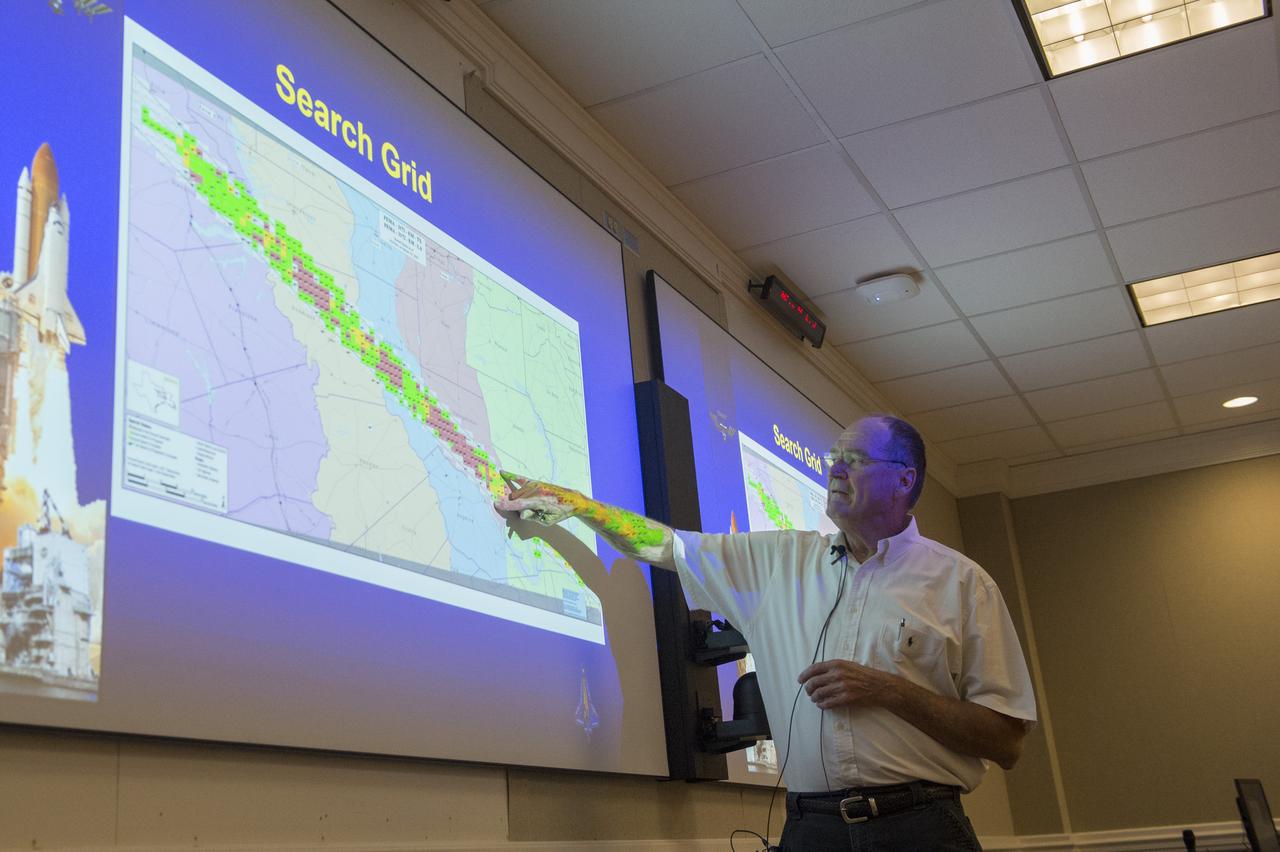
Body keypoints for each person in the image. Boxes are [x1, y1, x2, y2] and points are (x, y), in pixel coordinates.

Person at [496, 414, 1036, 851]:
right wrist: (580, 506)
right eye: (834, 458)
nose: (836, 470)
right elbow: (664, 546)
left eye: (855, 459)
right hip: (810, 829)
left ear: (904, 478)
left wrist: (888, 690)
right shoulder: (780, 561)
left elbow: (1006, 741)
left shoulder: (963, 584)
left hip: (919, 828)